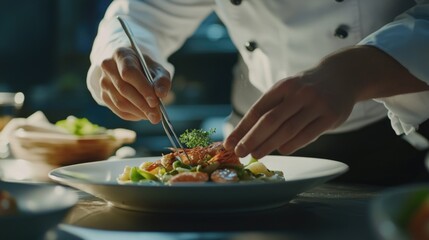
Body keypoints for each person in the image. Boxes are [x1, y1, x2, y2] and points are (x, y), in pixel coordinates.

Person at [87, 0, 429, 185]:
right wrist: (125, 55)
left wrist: (357, 71)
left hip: (384, 144)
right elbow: (142, 12)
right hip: (250, 144)